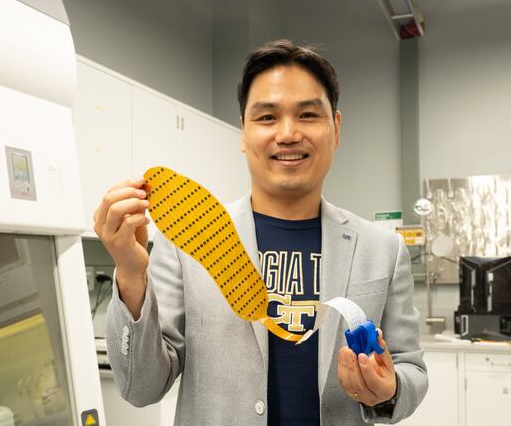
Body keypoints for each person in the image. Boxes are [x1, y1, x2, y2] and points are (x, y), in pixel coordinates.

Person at [97, 39, 427, 426]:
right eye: (267, 117)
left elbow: (411, 370)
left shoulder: (382, 249)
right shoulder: (189, 243)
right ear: (243, 132)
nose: (287, 133)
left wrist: (388, 392)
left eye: (307, 115)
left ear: (335, 128)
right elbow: (141, 389)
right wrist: (131, 275)